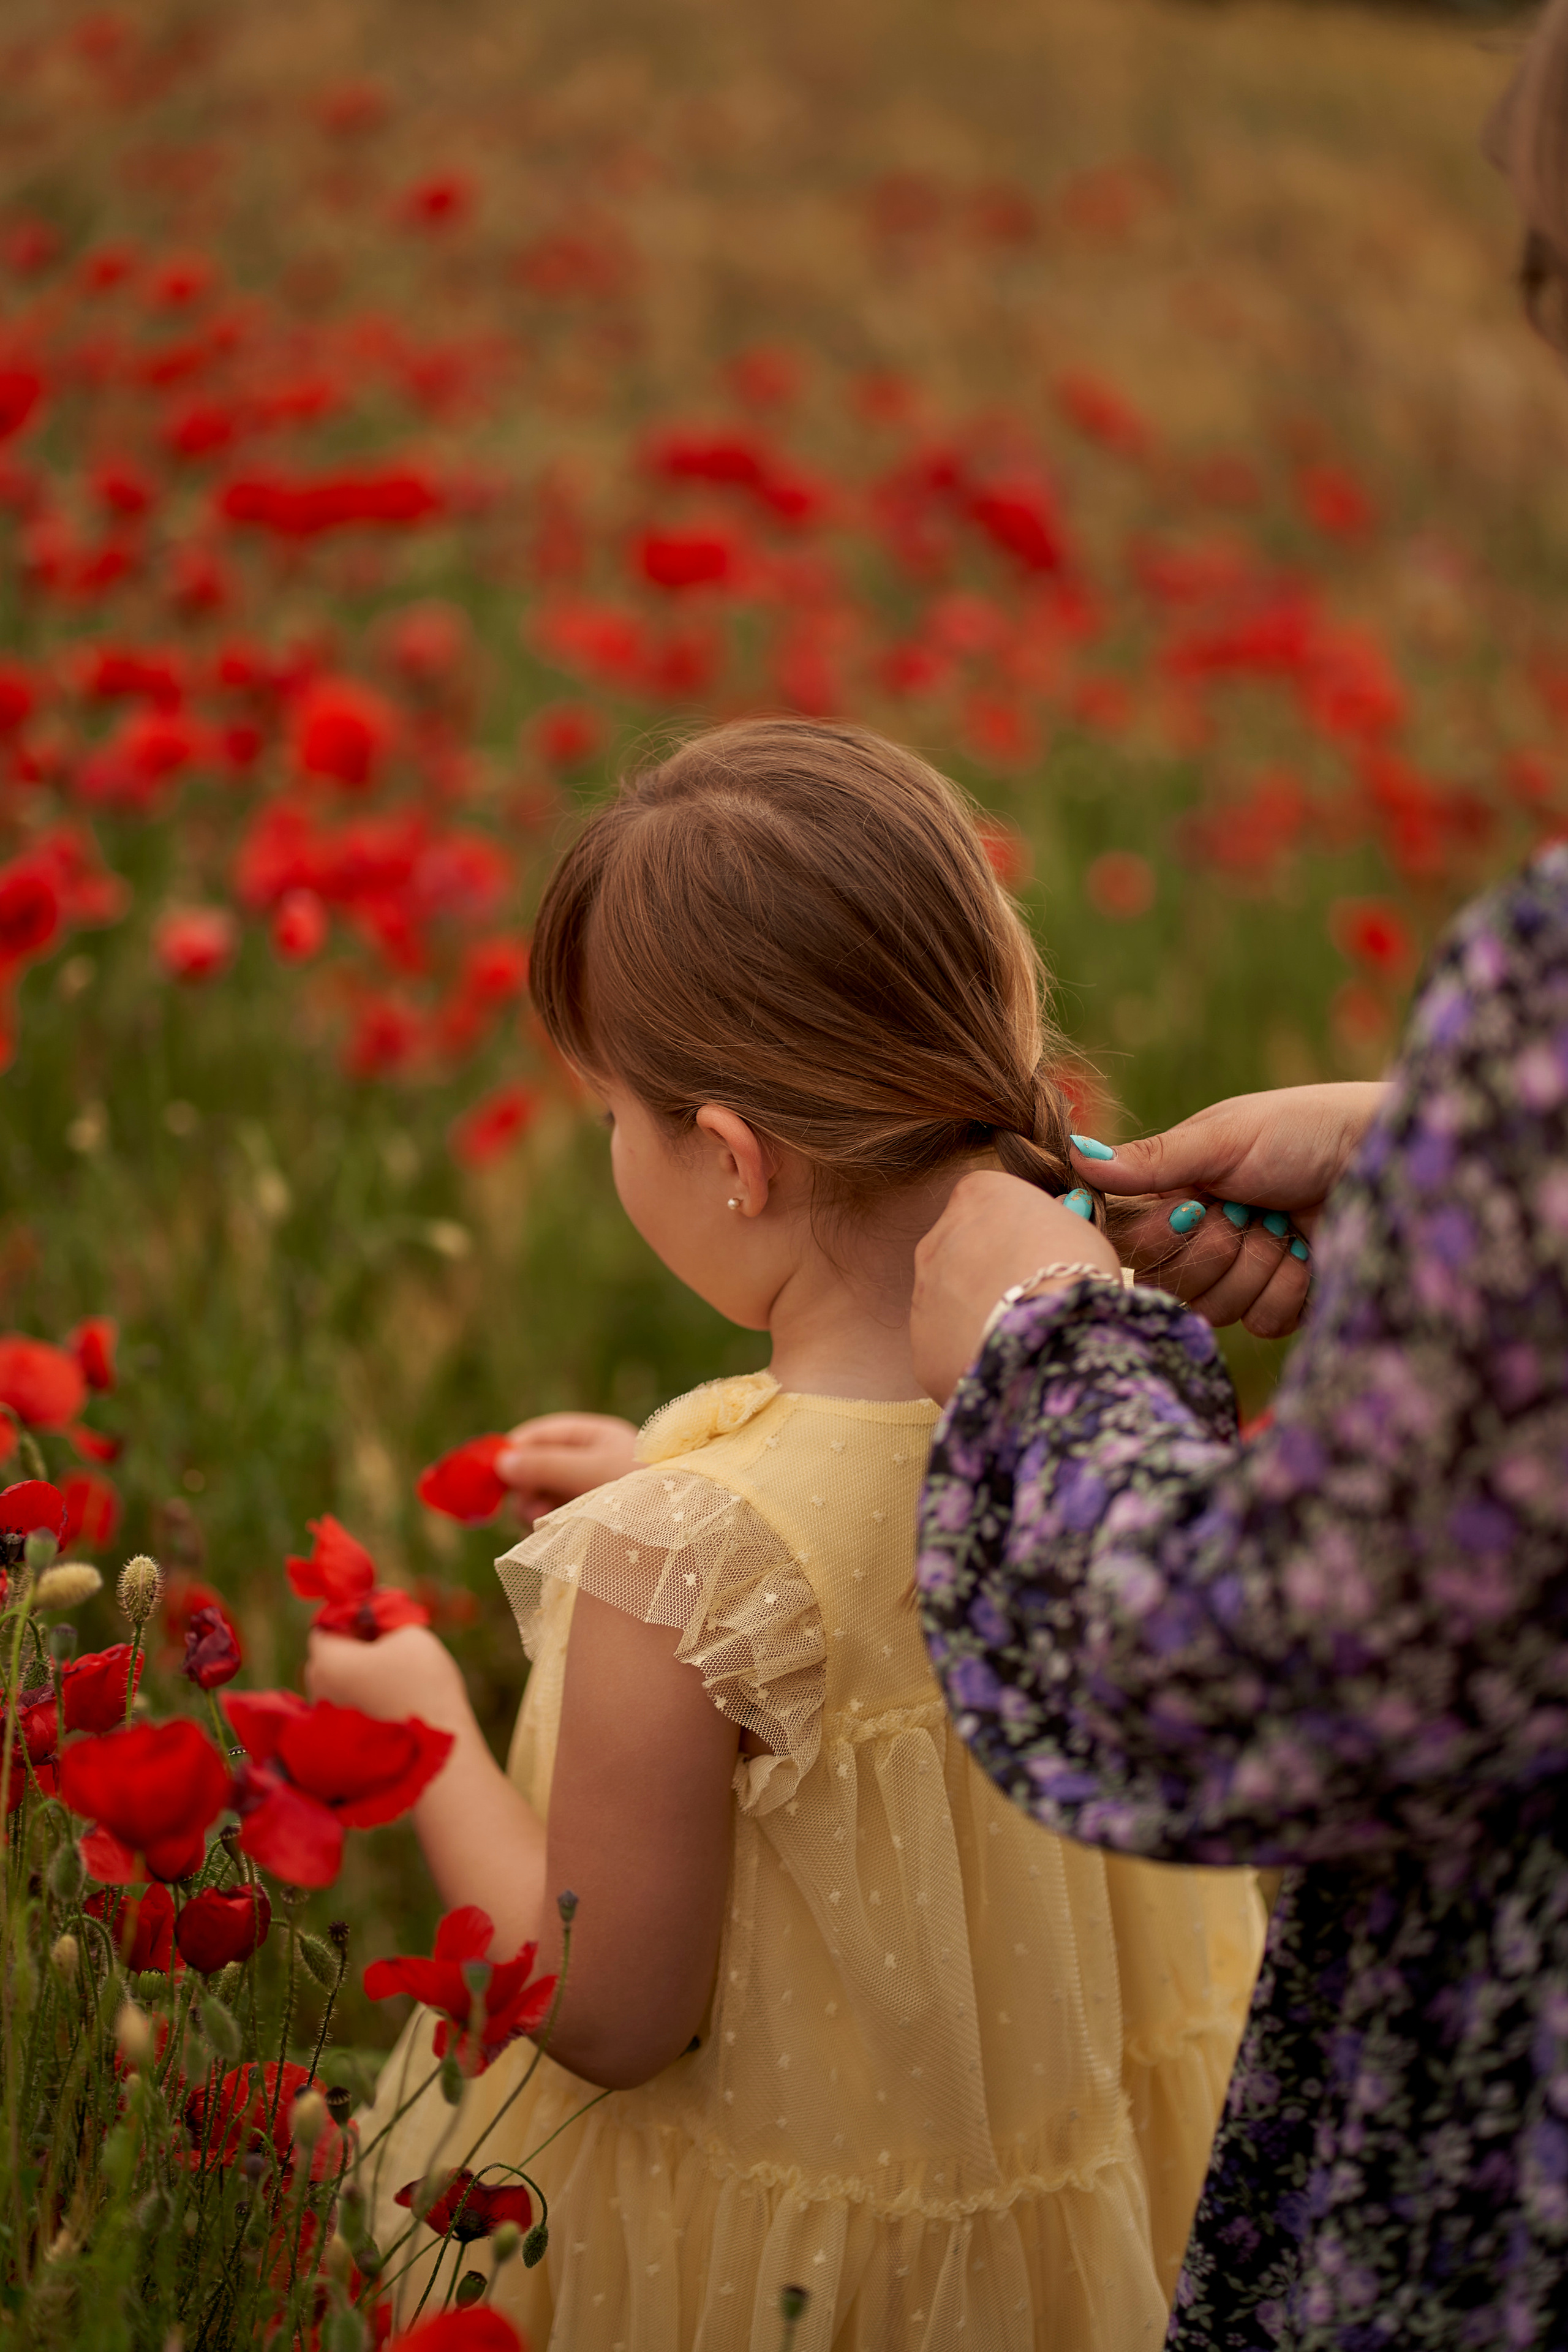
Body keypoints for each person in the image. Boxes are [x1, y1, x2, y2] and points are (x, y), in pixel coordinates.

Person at [310, 718, 1264, 2351]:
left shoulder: (685, 1566)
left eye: (614, 1113)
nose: (613, 1149)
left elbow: (607, 2011)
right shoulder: (1095, 1428)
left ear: (734, 1160)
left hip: (789, 2281)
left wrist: (425, 1737)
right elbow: (865, 1537)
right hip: (1073, 2200)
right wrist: (673, 1462)